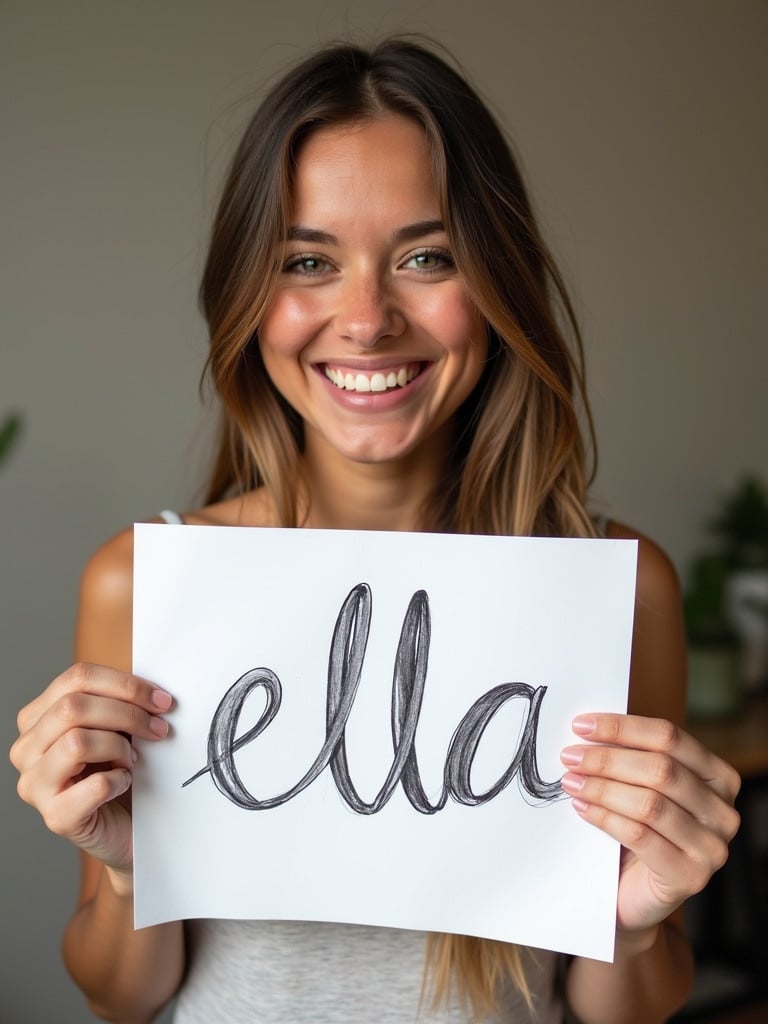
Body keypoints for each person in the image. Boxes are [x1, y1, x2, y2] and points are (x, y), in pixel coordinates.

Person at [10, 38, 740, 1024]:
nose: (365, 318)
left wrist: (642, 918)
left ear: (498, 283)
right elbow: (117, 996)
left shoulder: (615, 589)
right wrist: (135, 876)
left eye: (425, 258)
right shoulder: (139, 582)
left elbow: (629, 1008)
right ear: (245, 298)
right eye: (308, 261)